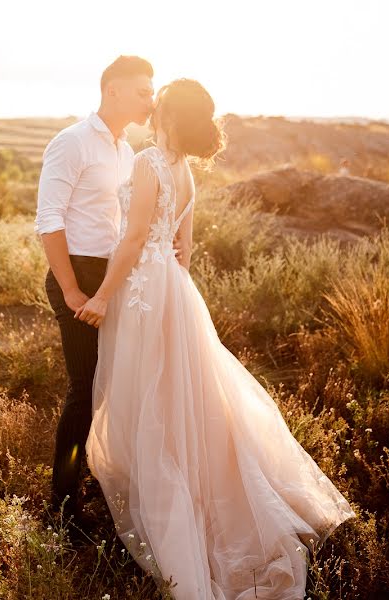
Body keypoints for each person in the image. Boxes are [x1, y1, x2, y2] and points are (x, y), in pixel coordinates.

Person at [78, 79, 356, 599]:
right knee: (183, 392)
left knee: (153, 394)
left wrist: (102, 297)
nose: (151, 100)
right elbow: (184, 246)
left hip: (143, 290)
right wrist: (164, 272)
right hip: (175, 290)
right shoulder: (183, 171)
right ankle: (198, 482)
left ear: (165, 112)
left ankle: (169, 498)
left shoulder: (148, 162)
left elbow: (135, 238)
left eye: (156, 96)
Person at [34, 55, 154, 533]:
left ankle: (101, 485)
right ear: (114, 90)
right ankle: (61, 507)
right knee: (83, 392)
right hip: (78, 277)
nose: (151, 99)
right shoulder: (71, 142)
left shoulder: (128, 152)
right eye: (143, 90)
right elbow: (49, 220)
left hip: (113, 280)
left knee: (113, 391)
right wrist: (70, 289)